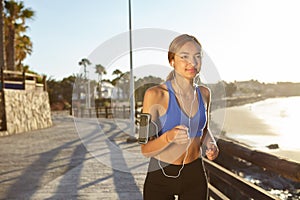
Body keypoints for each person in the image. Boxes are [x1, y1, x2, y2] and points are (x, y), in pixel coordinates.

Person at [140, 34, 219, 200]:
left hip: (195, 175)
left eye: (197, 56)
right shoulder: (153, 95)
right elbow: (145, 149)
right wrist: (168, 137)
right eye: (184, 57)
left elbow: (204, 129)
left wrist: (211, 142)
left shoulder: (204, 93)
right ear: (172, 61)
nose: (193, 62)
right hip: (160, 176)